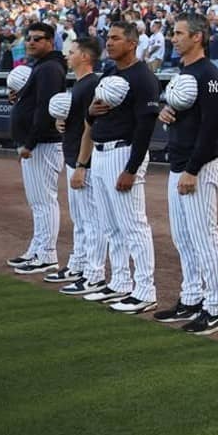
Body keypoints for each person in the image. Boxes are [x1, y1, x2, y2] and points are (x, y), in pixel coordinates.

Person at [76, 21, 161, 313]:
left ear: (132, 44)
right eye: (107, 37)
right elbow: (95, 114)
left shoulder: (143, 77)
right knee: (110, 226)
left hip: (123, 153)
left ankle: (146, 290)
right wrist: (90, 111)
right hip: (100, 153)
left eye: (115, 38)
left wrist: (131, 169)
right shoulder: (111, 72)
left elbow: (145, 127)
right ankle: (121, 282)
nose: (108, 43)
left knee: (133, 226)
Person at [153, 13, 218, 335]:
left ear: (197, 37)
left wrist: (193, 170)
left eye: (179, 32)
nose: (173, 37)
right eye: (173, 32)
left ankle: (215, 308)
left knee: (203, 237)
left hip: (199, 165)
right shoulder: (184, 72)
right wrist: (164, 109)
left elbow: (212, 127)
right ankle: (191, 298)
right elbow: (176, 109)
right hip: (179, 162)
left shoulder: (208, 73)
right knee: (183, 238)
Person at [6, 22, 67, 275]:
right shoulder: (42, 66)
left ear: (50, 42)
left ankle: (47, 255)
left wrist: (29, 143)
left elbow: (45, 109)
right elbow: (33, 103)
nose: (31, 42)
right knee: (38, 202)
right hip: (38, 144)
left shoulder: (50, 68)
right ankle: (37, 249)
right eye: (29, 39)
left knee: (44, 202)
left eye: (37, 39)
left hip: (43, 143)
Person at [52, 38, 109, 296]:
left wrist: (83, 165)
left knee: (92, 219)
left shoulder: (93, 84)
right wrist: (60, 123)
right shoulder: (80, 85)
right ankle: (78, 265)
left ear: (85, 56)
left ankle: (94, 274)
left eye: (71, 52)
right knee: (80, 218)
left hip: (83, 159)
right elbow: (77, 120)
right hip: (72, 154)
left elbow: (94, 126)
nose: (67, 56)